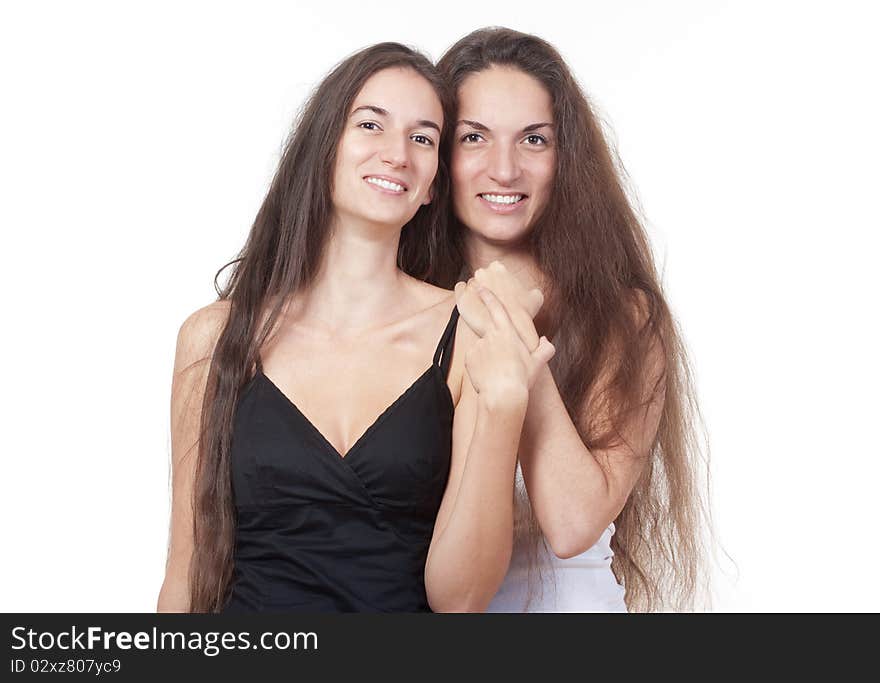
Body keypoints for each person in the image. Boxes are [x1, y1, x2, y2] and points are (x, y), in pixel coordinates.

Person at [156, 42, 555, 613]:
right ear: (324, 148)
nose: (397, 154)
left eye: (422, 138)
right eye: (372, 125)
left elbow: (460, 600)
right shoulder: (213, 337)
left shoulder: (469, 331)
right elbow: (186, 576)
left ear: (432, 185)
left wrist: (505, 404)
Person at [433, 28, 710, 612]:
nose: (504, 170)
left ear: (566, 158)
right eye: (474, 137)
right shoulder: (406, 311)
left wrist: (514, 336)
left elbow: (570, 523)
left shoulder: (625, 317)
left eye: (534, 140)